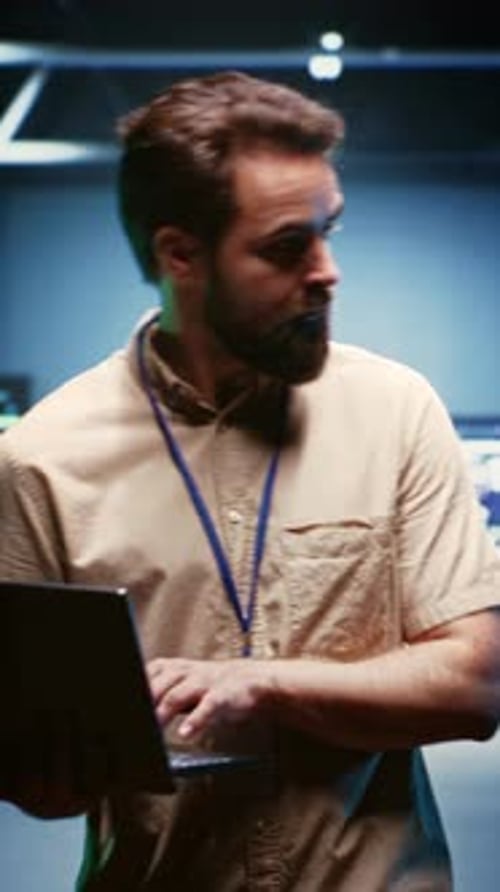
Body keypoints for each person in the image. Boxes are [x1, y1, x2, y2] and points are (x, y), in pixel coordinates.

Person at [0, 70, 499, 892]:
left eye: (328, 231)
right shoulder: (41, 460)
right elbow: (41, 780)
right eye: (285, 246)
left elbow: (477, 684)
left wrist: (262, 687)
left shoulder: (396, 411)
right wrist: (49, 775)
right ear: (180, 255)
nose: (328, 270)